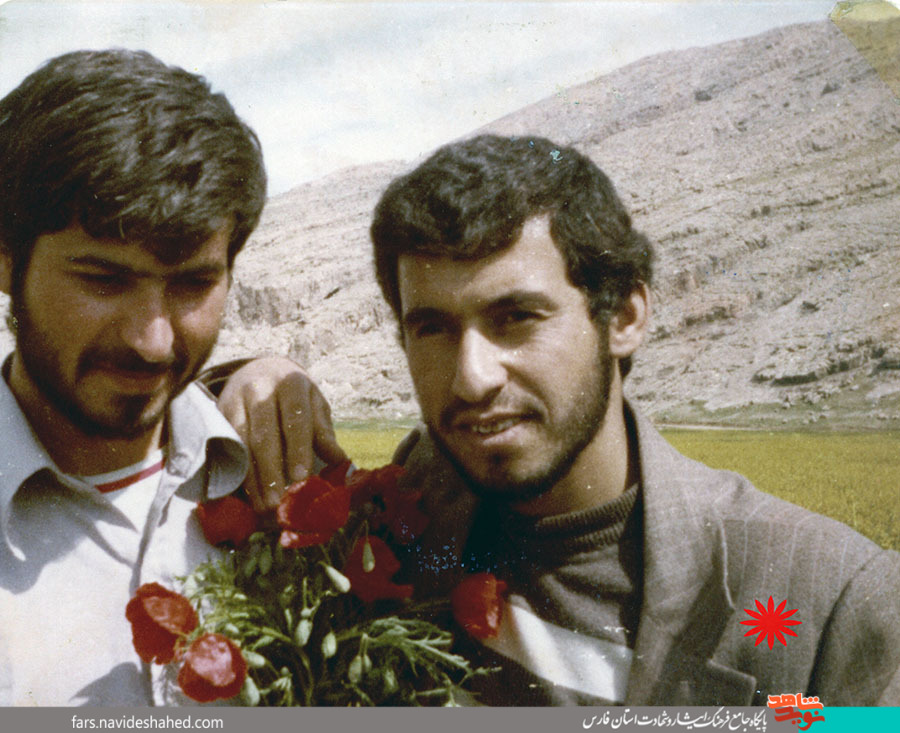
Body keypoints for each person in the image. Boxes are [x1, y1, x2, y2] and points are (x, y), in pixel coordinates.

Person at [221, 134, 900, 706]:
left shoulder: (831, 598)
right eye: (432, 328)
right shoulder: (420, 493)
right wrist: (253, 373)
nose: (472, 377)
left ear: (624, 316)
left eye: (516, 317)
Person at [0, 49, 342, 706]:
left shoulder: (292, 480)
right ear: (6, 258)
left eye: (192, 283)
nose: (152, 341)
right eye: (104, 279)